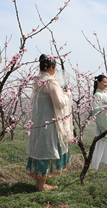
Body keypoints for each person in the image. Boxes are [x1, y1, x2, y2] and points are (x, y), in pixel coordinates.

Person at [26, 54, 74, 191]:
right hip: (49, 123)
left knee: (39, 149)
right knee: (46, 150)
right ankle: (41, 186)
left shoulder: (37, 81)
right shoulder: (51, 82)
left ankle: (38, 183)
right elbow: (59, 103)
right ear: (52, 68)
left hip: (38, 122)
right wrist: (67, 96)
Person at [91, 75, 107, 171]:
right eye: (104, 82)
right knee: (101, 145)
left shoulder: (105, 94)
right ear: (98, 82)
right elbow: (94, 111)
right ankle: (98, 167)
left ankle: (105, 167)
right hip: (102, 124)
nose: (106, 84)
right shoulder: (97, 95)